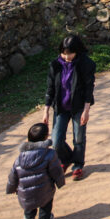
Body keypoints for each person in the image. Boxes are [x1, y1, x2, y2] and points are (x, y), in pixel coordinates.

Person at [44, 34, 95, 182]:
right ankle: (66, 159)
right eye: (64, 53)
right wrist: (46, 110)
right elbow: (50, 88)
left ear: (77, 51)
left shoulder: (86, 64)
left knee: (78, 138)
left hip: (78, 107)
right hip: (61, 107)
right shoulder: (55, 65)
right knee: (56, 140)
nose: (67, 57)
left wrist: (86, 110)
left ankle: (77, 165)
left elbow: (88, 88)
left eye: (70, 53)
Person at [6, 123, 65, 219]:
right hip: (45, 189)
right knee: (46, 203)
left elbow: (13, 175)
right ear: (45, 138)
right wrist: (60, 182)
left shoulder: (20, 158)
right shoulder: (50, 154)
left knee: (29, 204)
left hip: (25, 192)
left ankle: (29, 218)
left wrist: (11, 188)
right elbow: (56, 171)